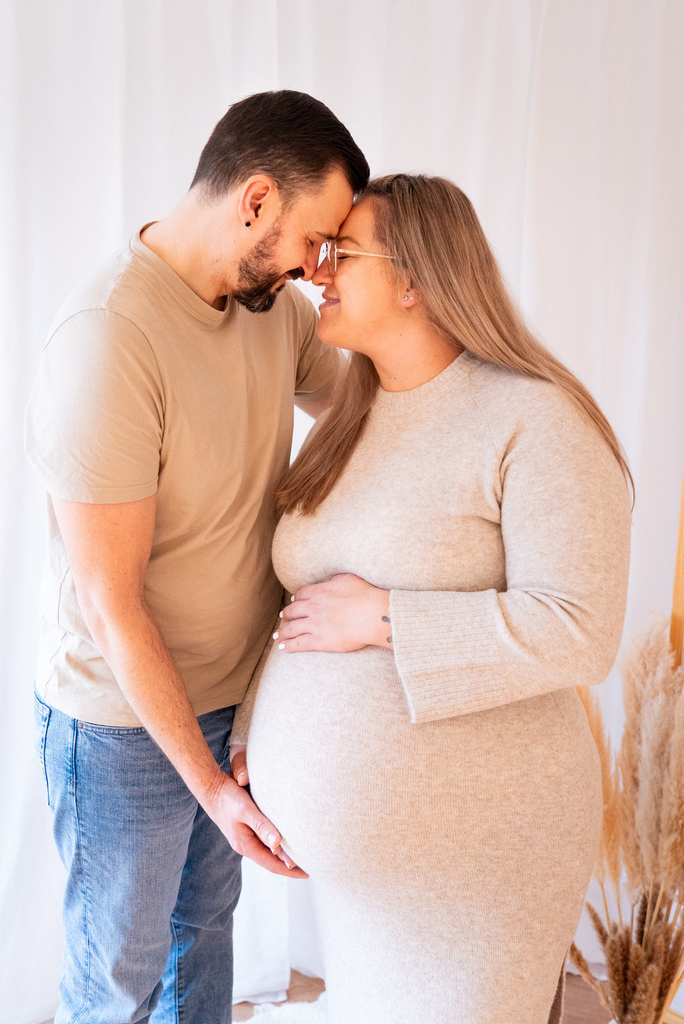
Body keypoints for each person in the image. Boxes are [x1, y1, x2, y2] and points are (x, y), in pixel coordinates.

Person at [230, 174, 632, 1024]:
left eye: (343, 253)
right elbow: (301, 605)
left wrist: (383, 617)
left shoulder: (535, 420)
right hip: (362, 874)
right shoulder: (351, 413)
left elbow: (580, 631)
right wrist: (250, 735)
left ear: (415, 277)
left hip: (480, 856)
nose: (316, 272)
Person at [24, 90, 369, 1024]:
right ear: (255, 199)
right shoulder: (108, 340)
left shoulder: (273, 308)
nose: (318, 266)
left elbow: (364, 404)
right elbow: (111, 605)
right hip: (124, 728)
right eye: (315, 238)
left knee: (206, 934)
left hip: (237, 702)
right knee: (116, 985)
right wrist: (211, 788)